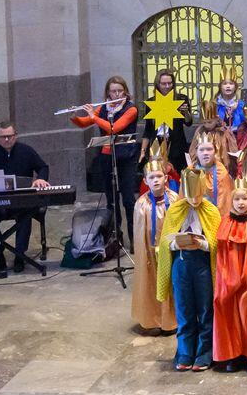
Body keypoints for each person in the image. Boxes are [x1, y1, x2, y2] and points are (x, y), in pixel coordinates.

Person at [163, 167, 220, 371]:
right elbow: (164, 241)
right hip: (181, 263)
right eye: (190, 196)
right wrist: (175, 243)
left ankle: (204, 352)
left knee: (205, 309)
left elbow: (217, 243)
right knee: (184, 308)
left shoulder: (211, 211)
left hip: (202, 264)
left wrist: (202, 244)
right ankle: (185, 352)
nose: (194, 200)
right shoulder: (175, 210)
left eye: (197, 196)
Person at [0, 121, 53, 275]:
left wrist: (40, 178)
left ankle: (20, 255)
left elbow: (43, 167)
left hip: (21, 201)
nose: (7, 139)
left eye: (10, 136)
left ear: (16, 136)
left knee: (25, 216)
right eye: (3, 137)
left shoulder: (26, 151)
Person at [72, 75, 142, 236]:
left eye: (120, 91)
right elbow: (84, 123)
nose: (117, 95)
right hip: (107, 156)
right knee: (111, 200)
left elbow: (113, 128)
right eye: (113, 91)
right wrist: (74, 116)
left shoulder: (131, 109)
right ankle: (115, 236)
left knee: (128, 199)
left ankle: (134, 237)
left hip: (126, 157)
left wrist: (94, 117)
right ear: (108, 93)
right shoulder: (103, 109)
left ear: (125, 92)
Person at [213, 182, 247, 373]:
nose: (241, 203)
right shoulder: (226, 221)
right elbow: (222, 253)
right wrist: (227, 278)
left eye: (245, 198)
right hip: (229, 276)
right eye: (237, 199)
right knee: (228, 311)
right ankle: (233, 354)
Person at [129, 156, 177, 335]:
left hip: (170, 250)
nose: (156, 180)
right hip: (149, 251)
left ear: (166, 178)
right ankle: (153, 318)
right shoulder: (141, 205)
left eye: (159, 176)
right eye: (152, 177)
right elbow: (139, 235)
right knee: (151, 282)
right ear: (145, 181)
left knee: (171, 282)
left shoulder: (174, 200)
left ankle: (171, 319)